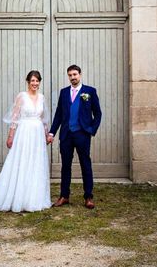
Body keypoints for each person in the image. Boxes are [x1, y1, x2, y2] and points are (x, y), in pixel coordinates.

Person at [0, 70, 51, 212]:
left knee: (35, 163)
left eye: (37, 81)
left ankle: (33, 197)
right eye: (32, 81)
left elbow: (43, 119)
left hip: (37, 134)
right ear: (28, 82)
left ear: (40, 82)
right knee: (22, 161)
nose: (35, 84)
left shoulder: (42, 97)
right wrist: (11, 136)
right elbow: (14, 117)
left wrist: (46, 135)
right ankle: (17, 196)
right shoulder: (22, 96)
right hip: (24, 132)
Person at [47, 64, 102, 209]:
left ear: (80, 75)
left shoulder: (89, 91)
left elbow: (98, 113)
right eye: (70, 75)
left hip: (82, 134)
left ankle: (88, 197)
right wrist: (52, 132)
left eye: (75, 74)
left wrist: (91, 129)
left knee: (85, 164)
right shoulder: (64, 92)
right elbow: (59, 114)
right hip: (66, 135)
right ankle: (64, 196)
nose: (73, 77)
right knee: (66, 166)